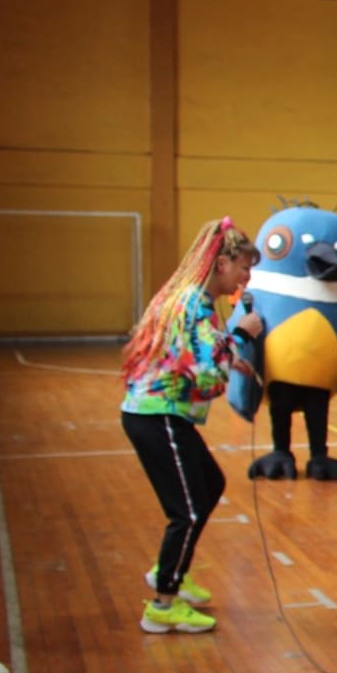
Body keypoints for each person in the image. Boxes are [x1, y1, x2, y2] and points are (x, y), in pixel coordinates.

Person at [121, 217, 263, 635]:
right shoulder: (195, 304)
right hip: (157, 414)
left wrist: (226, 351)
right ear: (221, 264)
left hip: (160, 414)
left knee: (210, 484)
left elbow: (194, 350)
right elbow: (204, 376)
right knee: (186, 509)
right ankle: (162, 603)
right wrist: (240, 335)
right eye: (242, 268)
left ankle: (171, 571)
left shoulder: (189, 298)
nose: (246, 276)